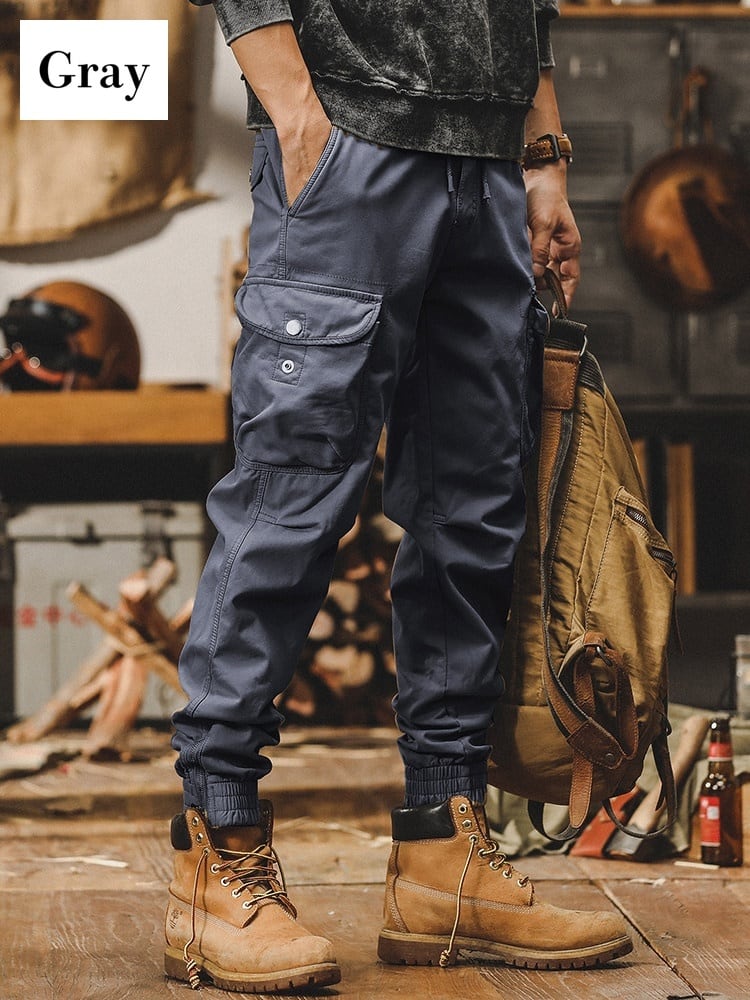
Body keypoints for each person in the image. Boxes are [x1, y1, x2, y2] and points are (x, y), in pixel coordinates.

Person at [166, 0, 633, 992]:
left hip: (488, 159)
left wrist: (542, 155)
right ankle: (218, 852)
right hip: (349, 137)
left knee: (474, 504)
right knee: (293, 497)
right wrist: (298, 111)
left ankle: (441, 856)